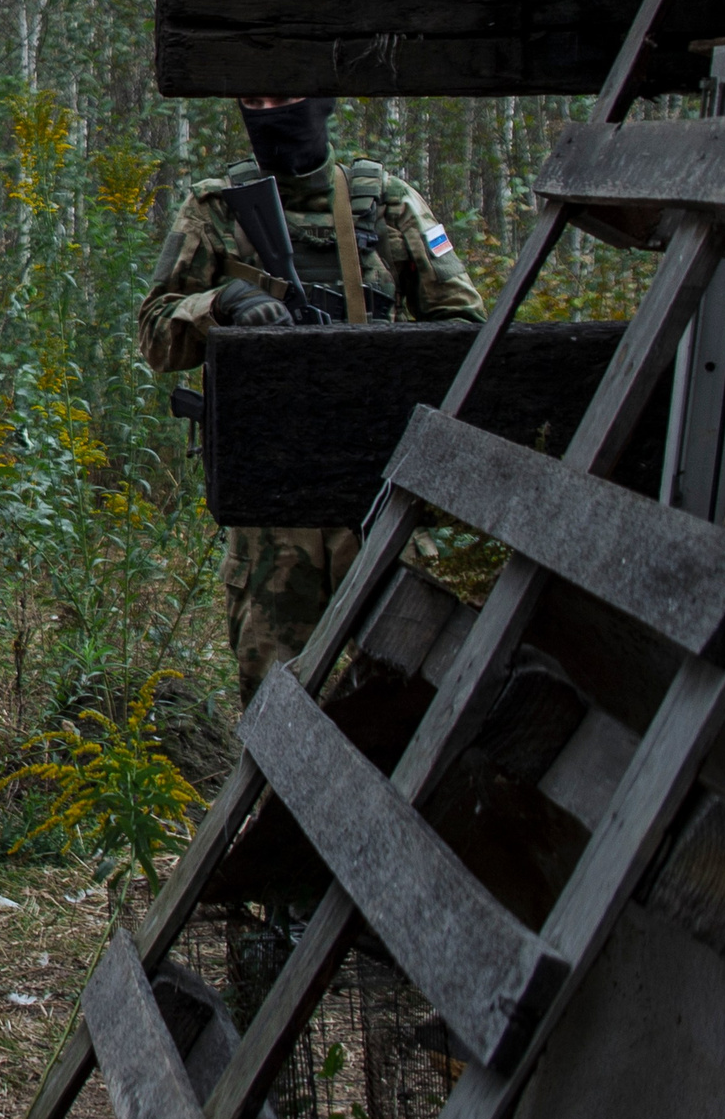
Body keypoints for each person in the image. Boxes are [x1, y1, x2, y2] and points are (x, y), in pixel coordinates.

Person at [137, 94, 487, 702]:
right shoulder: (217, 209)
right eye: (256, 101)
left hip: (381, 494)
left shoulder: (387, 202)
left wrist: (379, 363)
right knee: (276, 701)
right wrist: (221, 305)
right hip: (273, 509)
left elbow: (465, 327)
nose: (271, 112)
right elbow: (156, 336)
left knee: (411, 690)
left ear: (321, 101)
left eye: (286, 98)